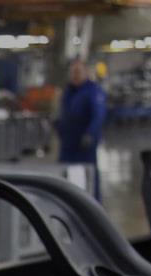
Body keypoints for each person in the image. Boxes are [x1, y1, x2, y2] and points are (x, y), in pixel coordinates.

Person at [56, 58, 107, 200]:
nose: (75, 75)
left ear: (86, 72)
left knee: (88, 176)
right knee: (65, 177)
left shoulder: (93, 91)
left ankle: (93, 204)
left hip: (85, 144)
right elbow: (62, 113)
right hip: (68, 144)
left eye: (78, 72)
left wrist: (90, 134)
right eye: (72, 72)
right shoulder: (68, 91)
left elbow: (98, 115)